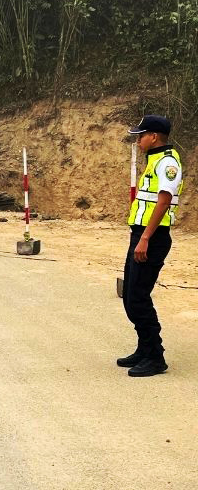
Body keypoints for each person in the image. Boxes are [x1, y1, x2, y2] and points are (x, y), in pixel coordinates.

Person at [119, 115, 183, 377]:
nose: (138, 140)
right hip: (141, 234)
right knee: (131, 297)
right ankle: (144, 348)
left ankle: (155, 357)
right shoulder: (154, 159)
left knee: (138, 297)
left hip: (152, 238)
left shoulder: (168, 162)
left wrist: (145, 238)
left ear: (154, 136)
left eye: (141, 135)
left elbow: (164, 201)